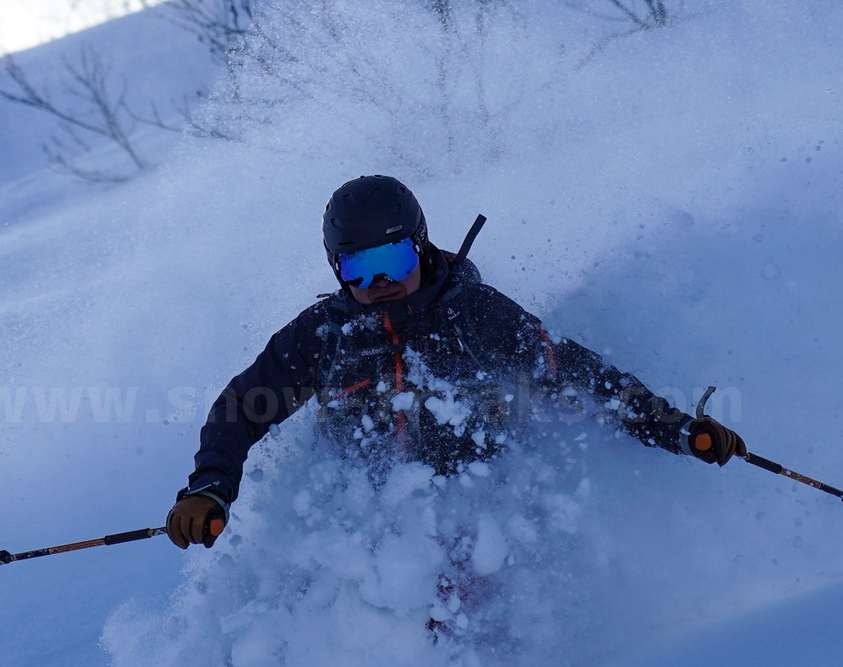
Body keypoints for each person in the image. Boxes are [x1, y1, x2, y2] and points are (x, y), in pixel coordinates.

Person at [166, 175, 744, 549]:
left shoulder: (477, 316)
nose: (379, 283)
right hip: (363, 528)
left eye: (392, 259)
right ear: (334, 270)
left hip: (477, 521)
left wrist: (674, 428)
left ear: (420, 243)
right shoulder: (325, 334)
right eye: (356, 269)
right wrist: (209, 488)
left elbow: (577, 374)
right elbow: (241, 406)